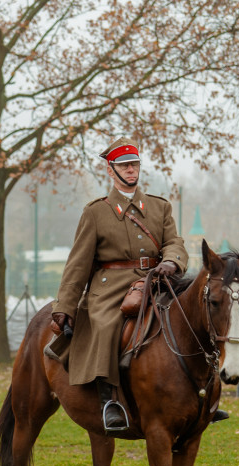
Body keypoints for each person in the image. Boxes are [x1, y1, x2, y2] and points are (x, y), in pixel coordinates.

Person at [50, 137, 200, 434]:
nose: (131, 170)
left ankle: (202, 397)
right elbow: (78, 263)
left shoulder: (159, 207)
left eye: (134, 165)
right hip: (111, 286)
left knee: (193, 319)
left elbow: (174, 242)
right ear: (111, 170)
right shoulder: (96, 212)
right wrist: (64, 306)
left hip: (157, 281)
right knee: (106, 325)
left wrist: (171, 262)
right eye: (124, 166)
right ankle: (109, 401)